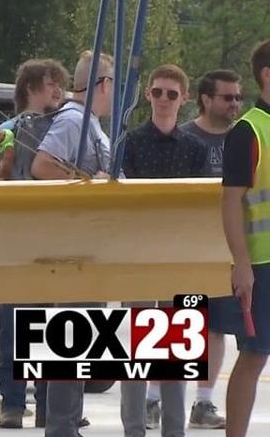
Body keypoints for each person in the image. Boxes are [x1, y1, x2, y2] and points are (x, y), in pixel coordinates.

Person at [118, 64, 209, 437]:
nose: (164, 100)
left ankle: (175, 429)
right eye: (157, 92)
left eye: (172, 93)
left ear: (184, 99)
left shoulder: (196, 148)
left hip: (179, 254)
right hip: (137, 252)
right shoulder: (131, 143)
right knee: (139, 349)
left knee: (178, 348)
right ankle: (134, 428)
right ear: (148, 96)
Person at [32, 51, 115, 437]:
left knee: (81, 335)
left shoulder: (90, 123)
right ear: (103, 85)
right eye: (112, 83)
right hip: (72, 244)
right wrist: (88, 183)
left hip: (89, 243)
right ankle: (61, 426)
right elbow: (43, 165)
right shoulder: (72, 121)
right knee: (73, 334)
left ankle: (66, 422)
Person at [157, 69, 244, 430]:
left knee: (218, 327)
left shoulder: (243, 139)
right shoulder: (186, 138)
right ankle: (154, 399)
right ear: (206, 100)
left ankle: (203, 404)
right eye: (227, 98)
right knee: (178, 324)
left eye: (238, 98)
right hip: (184, 248)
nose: (234, 104)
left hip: (225, 248)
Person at [0, 59, 69, 429]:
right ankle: (12, 403)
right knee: (16, 322)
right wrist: (1, 158)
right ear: (31, 86)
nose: (58, 91)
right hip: (18, 236)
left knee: (52, 324)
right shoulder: (8, 128)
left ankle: (48, 404)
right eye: (52, 84)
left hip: (56, 233)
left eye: (61, 85)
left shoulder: (64, 128)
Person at [219, 41, 270, 437]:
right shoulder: (248, 131)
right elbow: (231, 202)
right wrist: (242, 265)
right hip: (263, 265)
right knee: (254, 356)